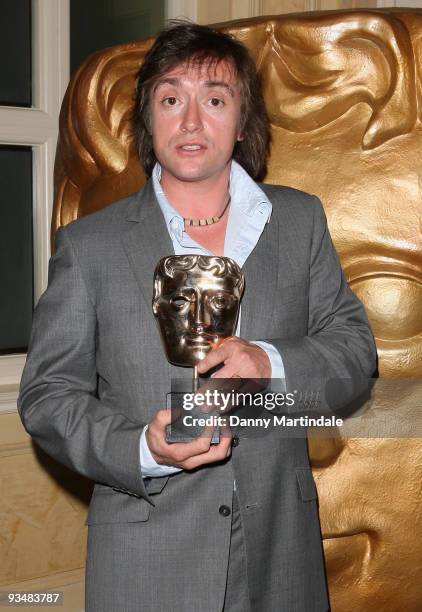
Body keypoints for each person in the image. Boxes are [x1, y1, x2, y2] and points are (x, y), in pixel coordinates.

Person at [18, 21, 376, 612]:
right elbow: (49, 397)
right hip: (147, 562)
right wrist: (141, 447)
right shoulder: (90, 246)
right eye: (170, 98)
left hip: (280, 558)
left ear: (242, 123)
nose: (190, 121)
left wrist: (271, 362)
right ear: (148, 120)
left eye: (214, 99)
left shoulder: (299, 221)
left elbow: (355, 355)